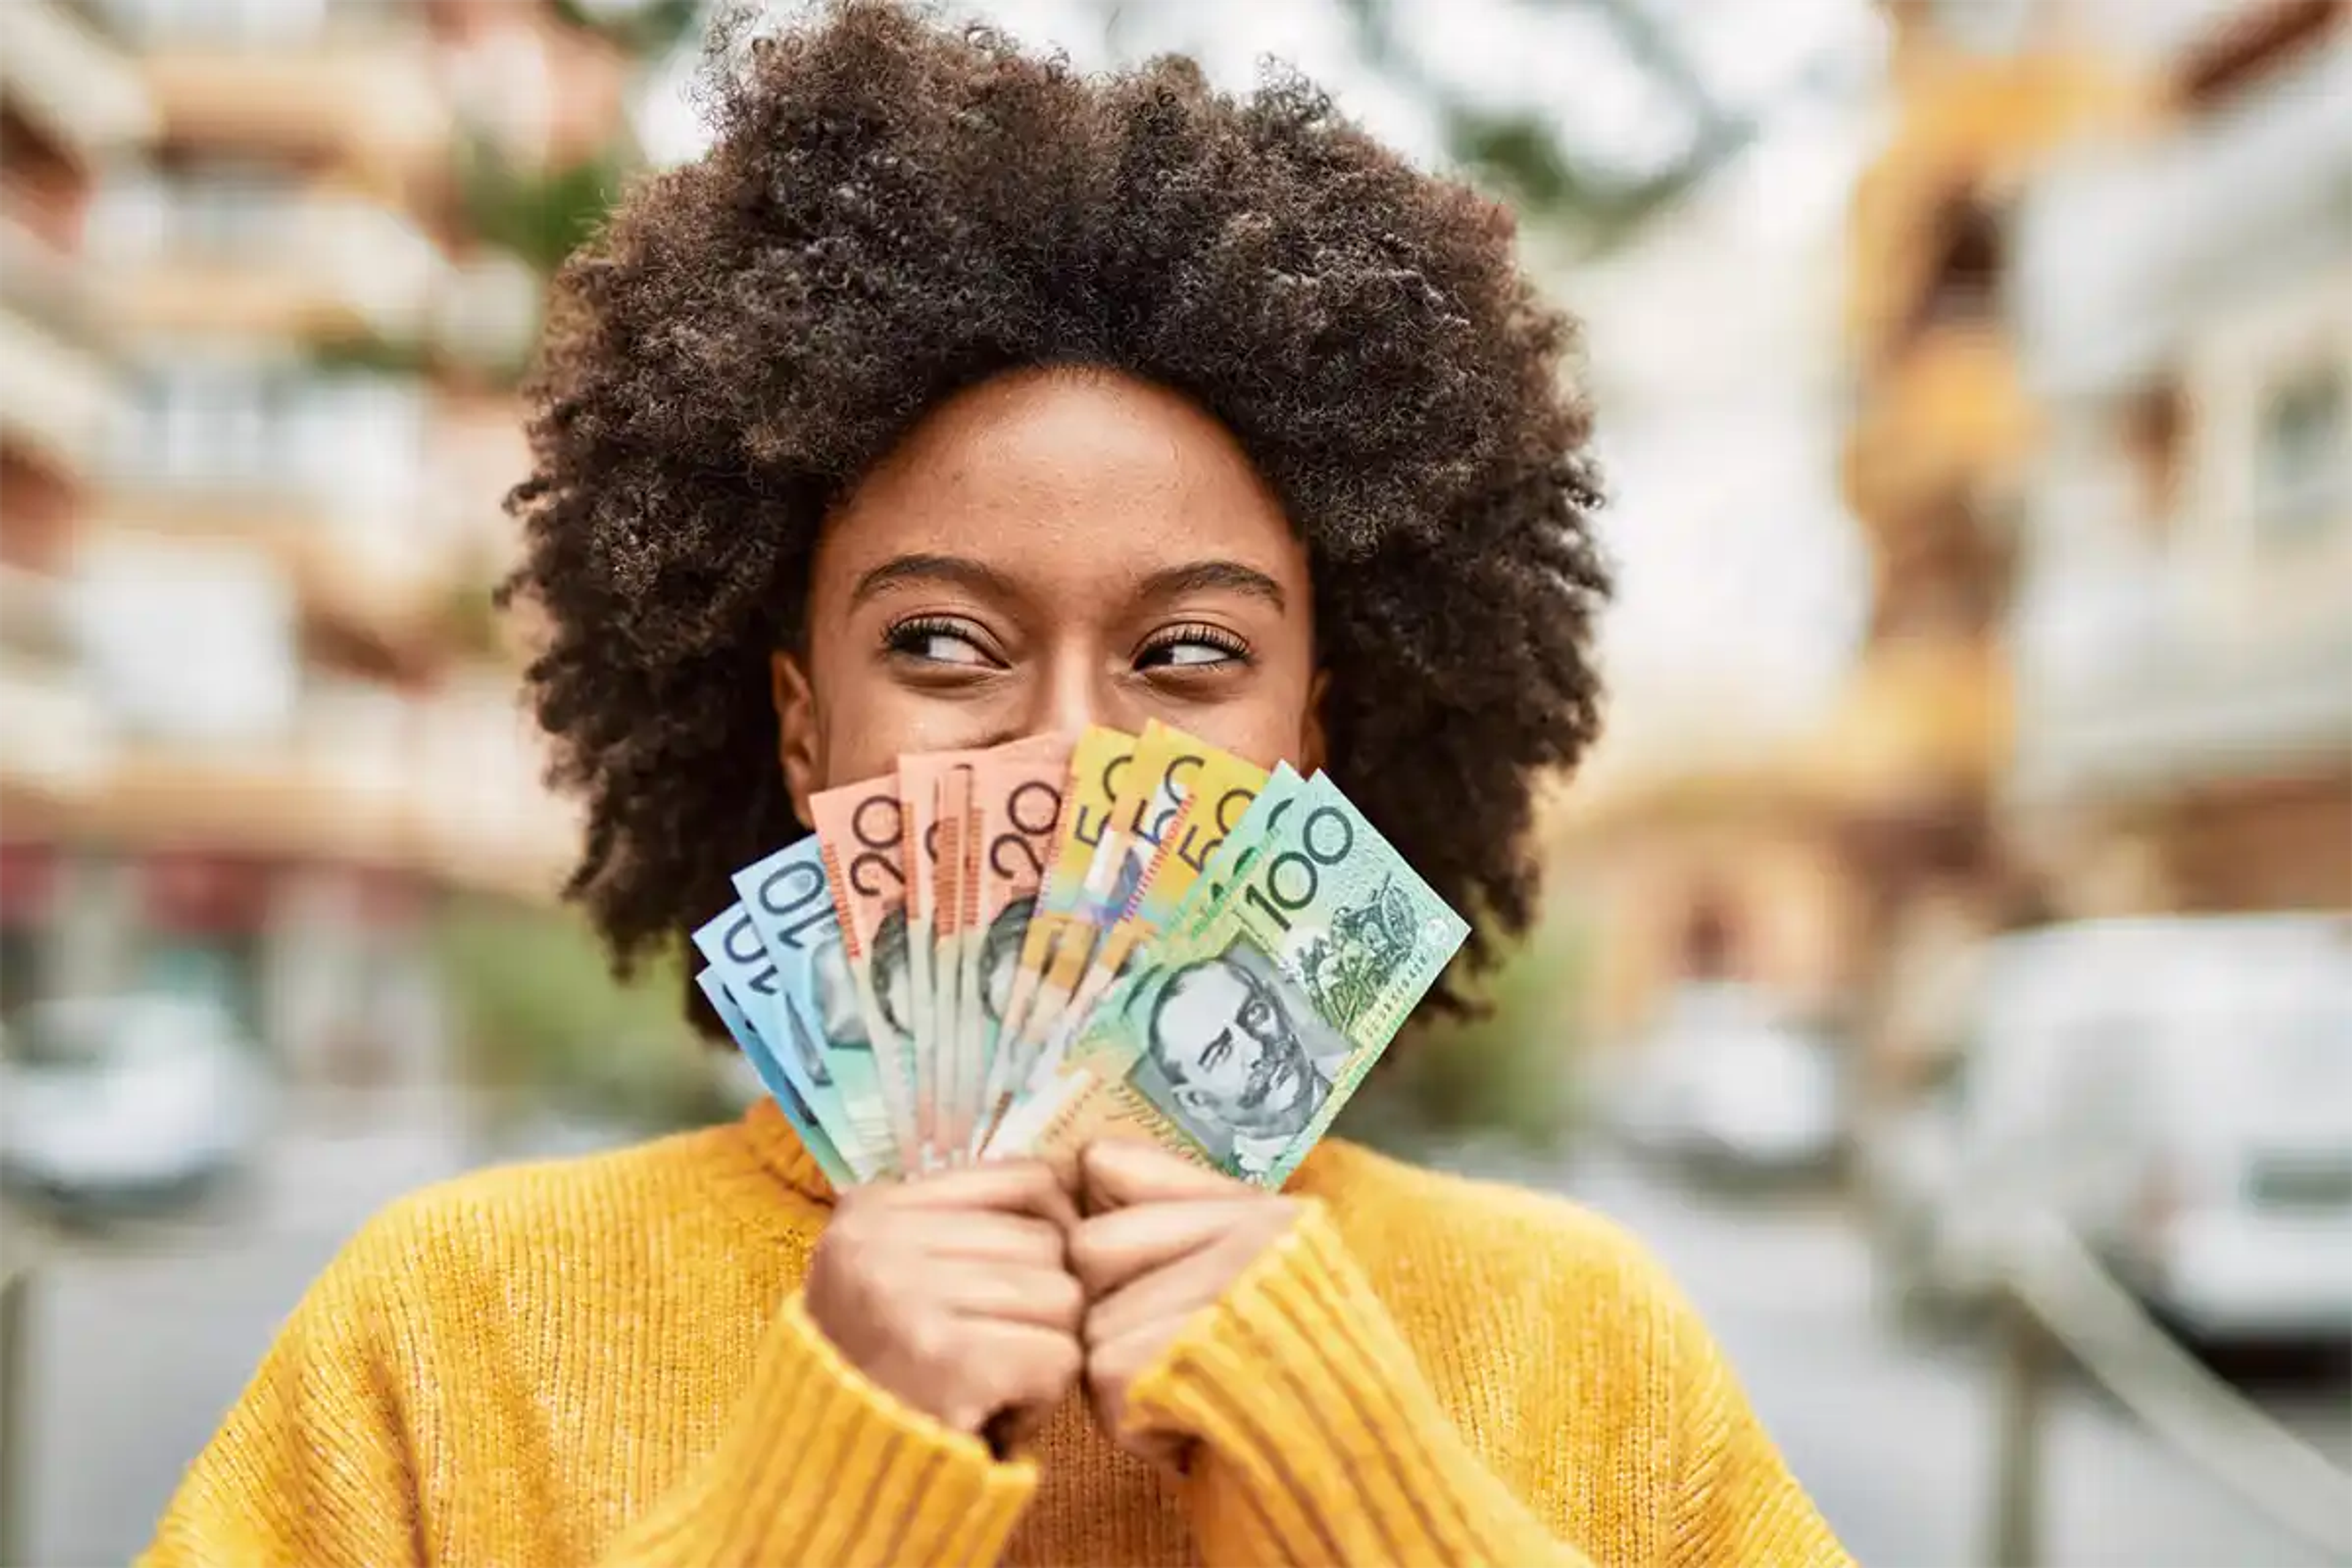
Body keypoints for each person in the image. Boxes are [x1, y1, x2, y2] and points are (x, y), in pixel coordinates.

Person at [143, 4, 1853, 1563]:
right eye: (946, 646)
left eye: (1188, 658)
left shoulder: (1584, 1336)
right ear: (804, 731)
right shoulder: (447, 1328)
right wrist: (834, 1477)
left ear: (1314, 741)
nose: (1065, 754)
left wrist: (1362, 1485)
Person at [1139, 947, 1344, 1178]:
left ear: (1277, 1004)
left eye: (1255, 1014)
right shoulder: (1236, 1200)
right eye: (1221, 1051)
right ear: (1197, 1102)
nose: (1257, 1050)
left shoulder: (1378, 1062)